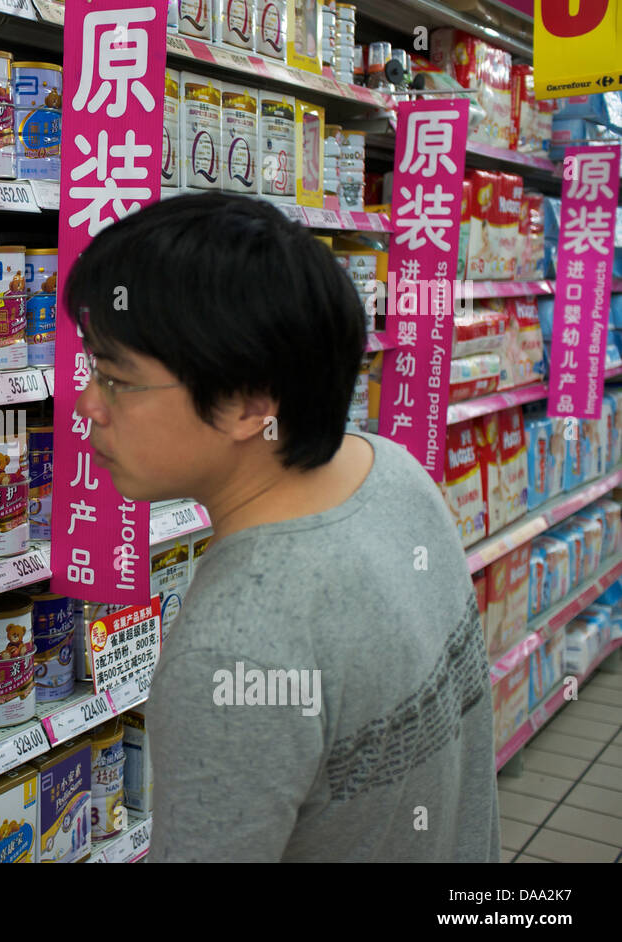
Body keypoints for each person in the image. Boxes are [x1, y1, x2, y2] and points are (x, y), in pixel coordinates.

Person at [68, 192, 500, 862]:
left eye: (117, 378)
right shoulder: (393, 473)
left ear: (249, 404)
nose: (88, 404)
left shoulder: (231, 652)